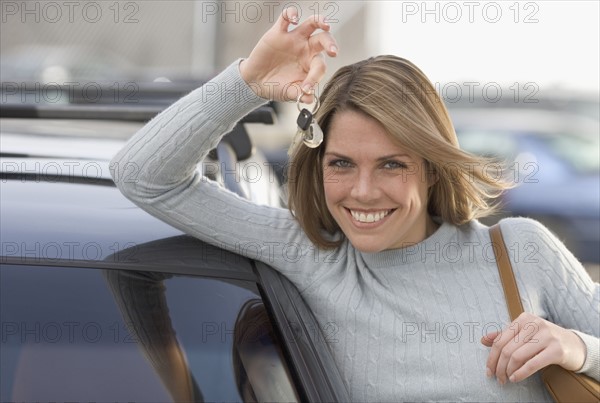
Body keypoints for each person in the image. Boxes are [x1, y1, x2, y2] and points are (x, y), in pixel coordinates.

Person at [111, 8, 599, 402]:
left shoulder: (522, 249)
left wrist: (577, 348)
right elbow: (143, 177)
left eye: (391, 165)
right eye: (342, 164)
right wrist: (248, 80)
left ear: (431, 167)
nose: (363, 191)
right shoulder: (308, 251)